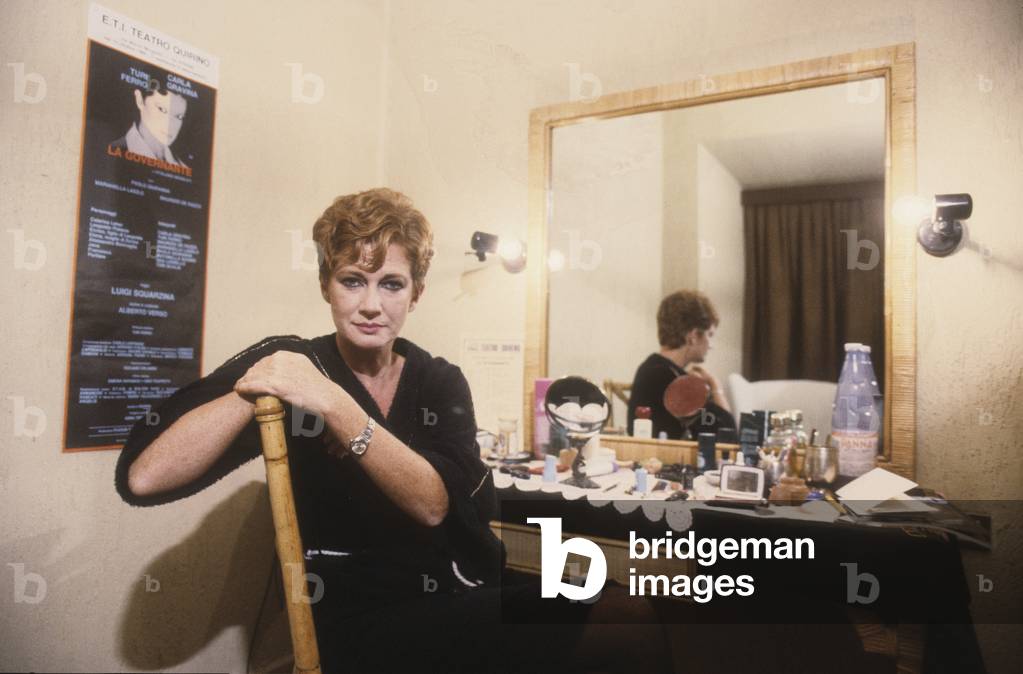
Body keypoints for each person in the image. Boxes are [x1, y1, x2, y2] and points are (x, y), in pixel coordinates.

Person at [115, 188, 672, 674]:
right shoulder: (296, 365)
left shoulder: (438, 380)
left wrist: (333, 403)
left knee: (625, 604)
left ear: (417, 293)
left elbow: (434, 504)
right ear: (326, 286)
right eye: (352, 281)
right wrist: (258, 381)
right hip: (360, 622)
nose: (371, 306)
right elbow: (144, 477)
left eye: (392, 284)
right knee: (623, 623)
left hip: (465, 591)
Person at [627, 290, 736, 440]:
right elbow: (728, 434)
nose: (711, 345)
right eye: (709, 334)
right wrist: (716, 387)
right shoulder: (669, 377)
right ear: (693, 336)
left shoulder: (653, 368)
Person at [109, 75, 188, 166]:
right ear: (140, 100)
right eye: (162, 109)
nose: (170, 125)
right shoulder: (114, 152)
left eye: (179, 116)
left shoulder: (182, 165)